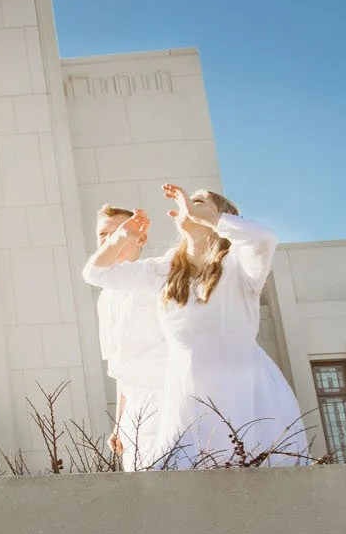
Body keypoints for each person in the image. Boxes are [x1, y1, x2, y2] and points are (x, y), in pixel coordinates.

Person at [86, 185, 308, 467]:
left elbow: (264, 239)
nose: (188, 205)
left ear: (222, 218)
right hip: (185, 393)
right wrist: (121, 237)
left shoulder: (240, 265)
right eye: (188, 203)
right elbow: (95, 273)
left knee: (254, 475)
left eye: (199, 202)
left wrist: (210, 219)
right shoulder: (167, 268)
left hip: (244, 388)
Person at [81, 205, 169, 469]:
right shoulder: (105, 299)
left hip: (169, 396)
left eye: (118, 232)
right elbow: (121, 369)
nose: (109, 240)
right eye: (102, 234)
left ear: (140, 238)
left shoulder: (157, 278)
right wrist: (119, 424)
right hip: (136, 413)